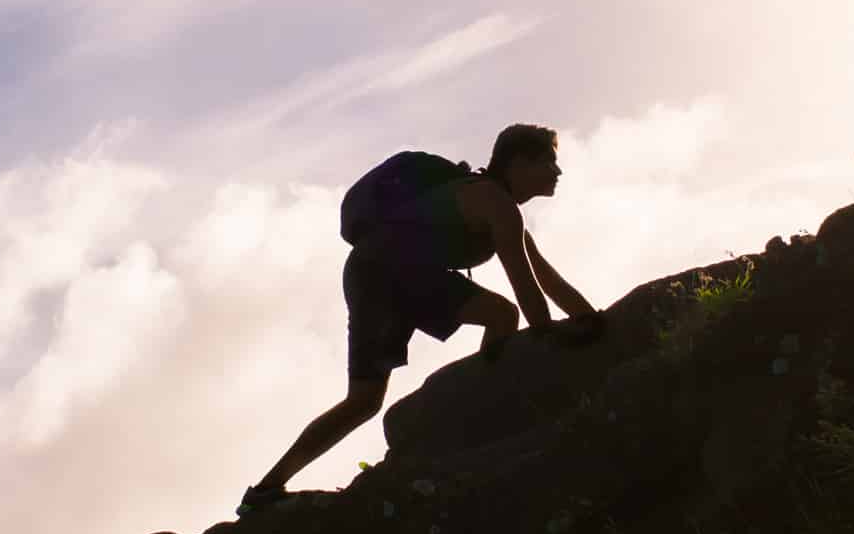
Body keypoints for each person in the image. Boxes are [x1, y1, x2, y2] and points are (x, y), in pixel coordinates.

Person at [238, 123, 602, 513]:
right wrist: (552, 337)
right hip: (390, 271)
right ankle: (478, 419)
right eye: (549, 162)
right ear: (519, 163)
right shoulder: (496, 205)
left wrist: (589, 317)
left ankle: (265, 490)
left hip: (372, 272)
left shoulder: (501, 209)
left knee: (363, 401)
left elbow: (547, 279)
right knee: (501, 314)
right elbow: (526, 287)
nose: (557, 172)